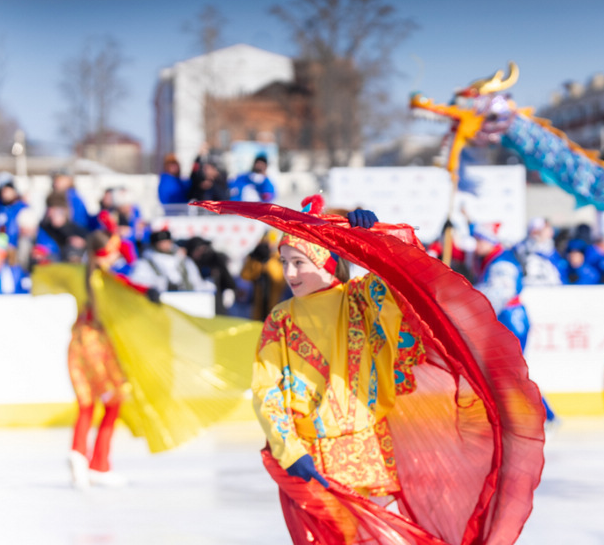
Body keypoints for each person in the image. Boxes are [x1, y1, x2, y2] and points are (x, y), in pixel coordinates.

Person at [197, 196, 545, 545]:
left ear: (327, 262)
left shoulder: (361, 299)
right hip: (311, 455)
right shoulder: (281, 319)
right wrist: (290, 450)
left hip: (369, 449)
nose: (289, 274)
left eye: (299, 262)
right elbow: (267, 392)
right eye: (285, 262)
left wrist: (378, 239)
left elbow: (409, 282)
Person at [66, 230, 132, 489]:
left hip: (78, 343)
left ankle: (78, 451)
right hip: (97, 347)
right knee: (113, 402)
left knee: (86, 403)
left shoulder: (83, 276)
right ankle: (99, 464)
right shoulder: (103, 281)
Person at [473, 223, 556, 424]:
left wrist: (472, 306)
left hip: (511, 320)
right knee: (505, 370)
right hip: (506, 319)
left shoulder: (503, 264)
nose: (476, 245)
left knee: (511, 370)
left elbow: (498, 293)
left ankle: (543, 413)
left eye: (479, 240)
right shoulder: (492, 259)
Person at [128, 229, 215, 293]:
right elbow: (138, 282)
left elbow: (196, 282)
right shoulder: (144, 263)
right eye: (161, 242)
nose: (165, 245)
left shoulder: (184, 260)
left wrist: (207, 287)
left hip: (188, 299)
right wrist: (162, 284)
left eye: (167, 242)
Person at [240, 232, 286, 321]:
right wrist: (252, 259)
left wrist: (268, 262)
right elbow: (245, 276)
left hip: (275, 306)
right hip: (257, 306)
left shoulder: (279, 258)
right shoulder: (258, 258)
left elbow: (278, 279)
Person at [35, 192, 88, 263]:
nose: (50, 213)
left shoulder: (77, 230)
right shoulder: (44, 229)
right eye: (50, 209)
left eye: (54, 209)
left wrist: (84, 243)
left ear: (64, 210)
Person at [513, 217, 562, 286]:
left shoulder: (551, 250)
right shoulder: (522, 249)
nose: (549, 231)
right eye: (544, 228)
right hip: (531, 288)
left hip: (552, 289)